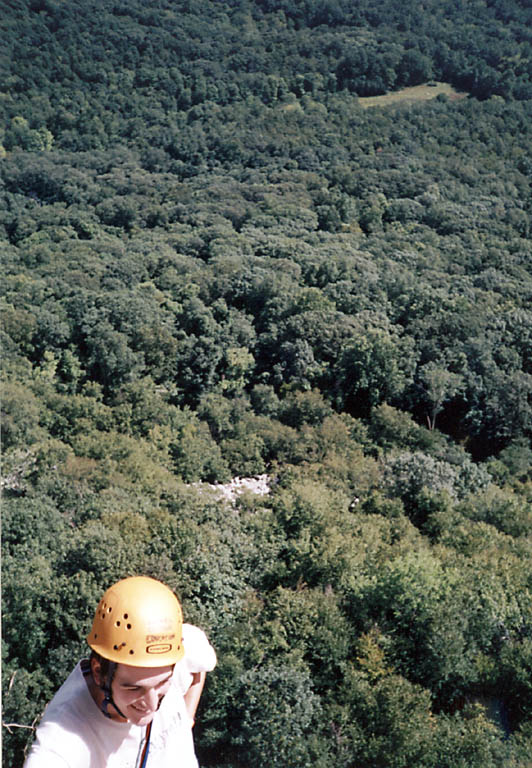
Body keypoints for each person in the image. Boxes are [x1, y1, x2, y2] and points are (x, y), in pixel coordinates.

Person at [23, 576, 217, 768]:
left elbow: (199, 662)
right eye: (134, 688)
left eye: (162, 683)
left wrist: (187, 719)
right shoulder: (64, 737)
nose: (151, 705)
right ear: (99, 673)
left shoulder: (170, 654)